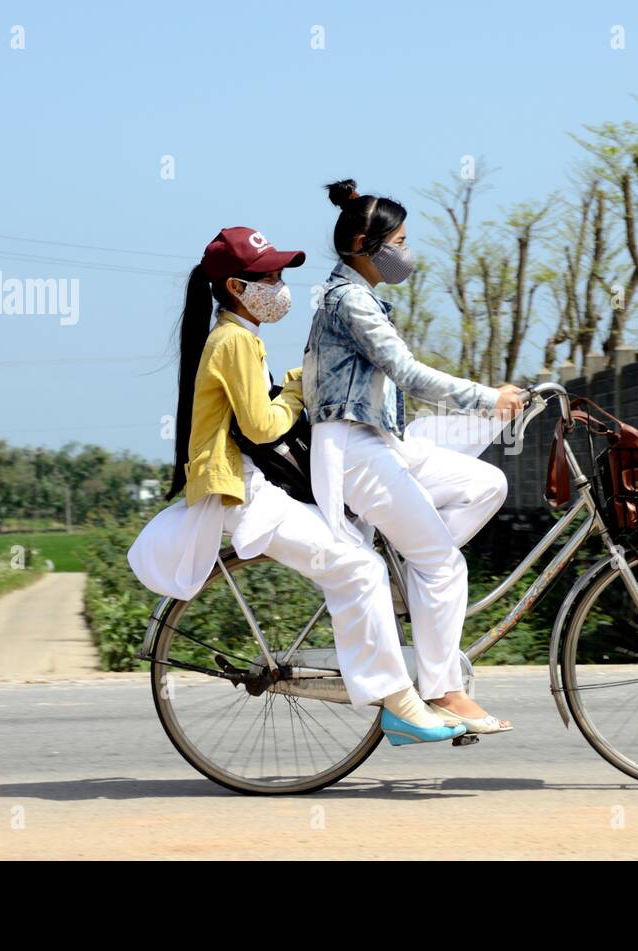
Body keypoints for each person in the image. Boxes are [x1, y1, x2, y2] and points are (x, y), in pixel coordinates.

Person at [127, 225, 466, 746]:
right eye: (270, 278)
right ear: (236, 287)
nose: (280, 287)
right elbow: (263, 426)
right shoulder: (233, 340)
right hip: (243, 491)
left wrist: (292, 385)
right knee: (359, 569)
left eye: (279, 275)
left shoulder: (236, 336)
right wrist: (297, 389)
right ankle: (399, 703)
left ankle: (397, 678)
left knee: (357, 556)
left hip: (251, 483)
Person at [302, 179, 526, 735]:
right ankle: (443, 692)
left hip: (382, 442)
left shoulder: (360, 296)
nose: (406, 253)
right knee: (443, 564)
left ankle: (416, 578)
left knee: (485, 484)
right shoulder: (350, 301)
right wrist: (487, 398)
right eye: (398, 243)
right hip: (353, 449)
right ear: (364, 245)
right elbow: (408, 373)